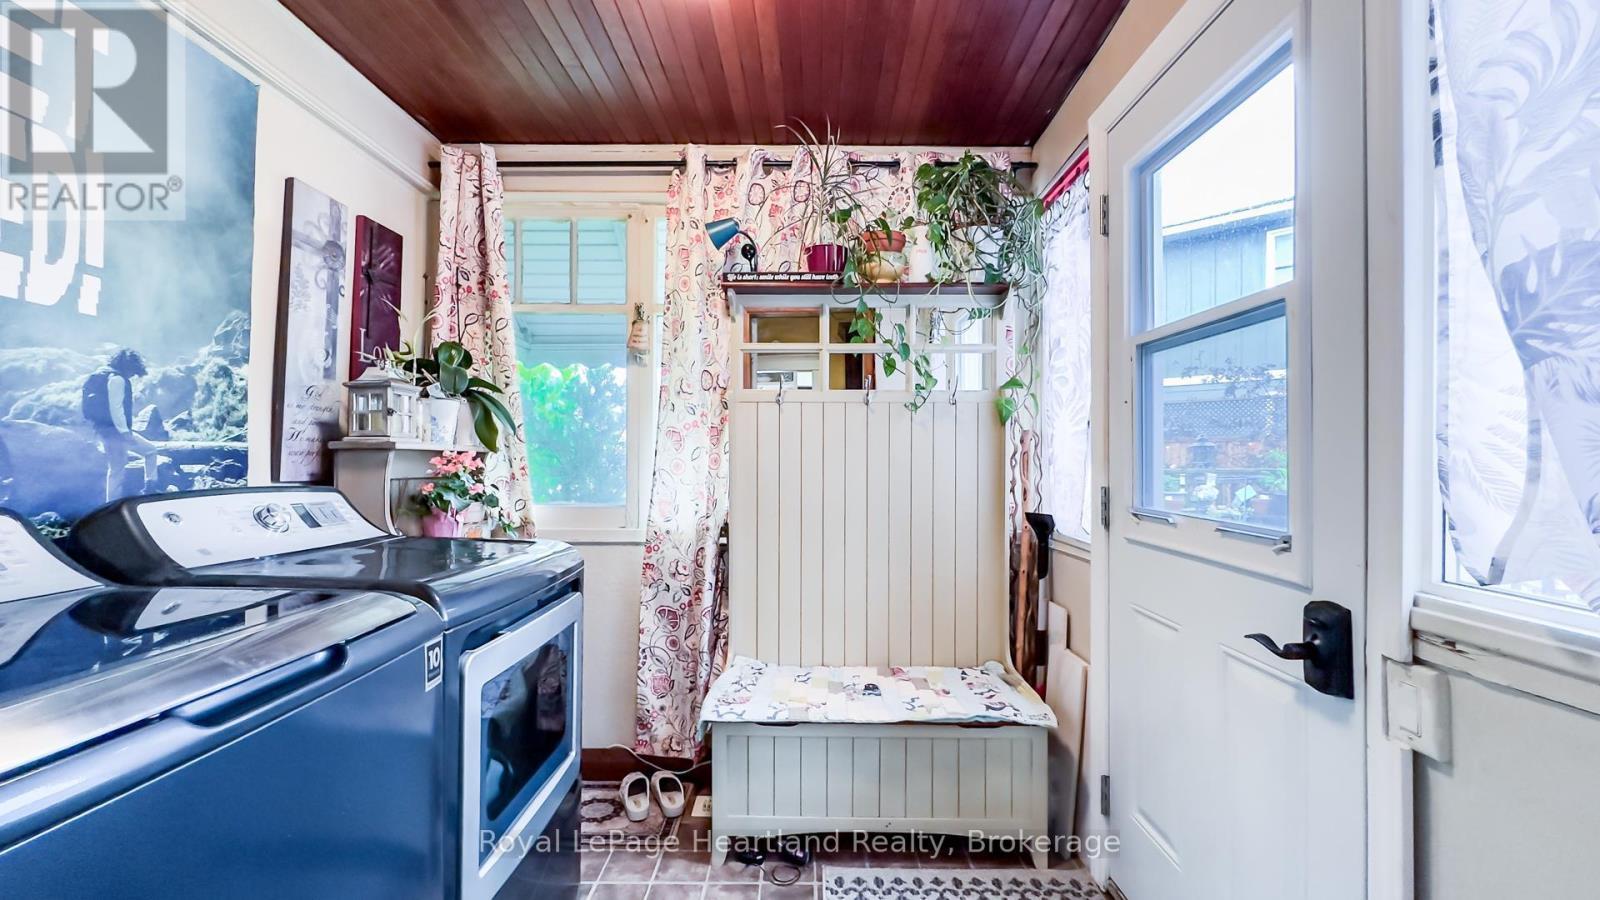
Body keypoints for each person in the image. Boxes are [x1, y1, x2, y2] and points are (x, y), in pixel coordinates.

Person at [82, 348, 159, 501]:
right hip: (116, 431)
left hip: (104, 429)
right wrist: (125, 432)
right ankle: (114, 503)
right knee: (118, 468)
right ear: (128, 366)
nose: (132, 375)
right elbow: (116, 408)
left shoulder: (101, 374)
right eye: (133, 371)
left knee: (147, 452)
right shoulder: (117, 379)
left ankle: (149, 488)